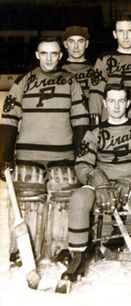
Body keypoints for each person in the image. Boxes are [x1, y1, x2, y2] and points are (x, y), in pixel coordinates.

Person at [59, 82, 131, 286]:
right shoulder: (94, 133)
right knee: (79, 197)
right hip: (102, 185)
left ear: (128, 103)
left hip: (130, 186)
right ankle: (78, 257)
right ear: (104, 103)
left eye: (121, 101)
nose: (116, 106)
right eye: (112, 101)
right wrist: (96, 178)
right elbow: (81, 165)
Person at [0, 37, 89, 262]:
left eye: (54, 54)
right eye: (44, 53)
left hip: (63, 156)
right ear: (37, 55)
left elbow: (80, 121)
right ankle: (23, 250)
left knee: (63, 203)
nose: (49, 58)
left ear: (60, 56)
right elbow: (9, 119)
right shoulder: (23, 81)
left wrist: (81, 156)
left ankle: (61, 249)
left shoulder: (72, 82)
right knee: (27, 205)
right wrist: (4, 155)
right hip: (28, 156)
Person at [61, 26, 94, 108]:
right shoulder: (59, 70)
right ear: (65, 44)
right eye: (71, 41)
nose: (76, 46)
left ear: (86, 44)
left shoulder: (96, 68)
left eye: (80, 41)